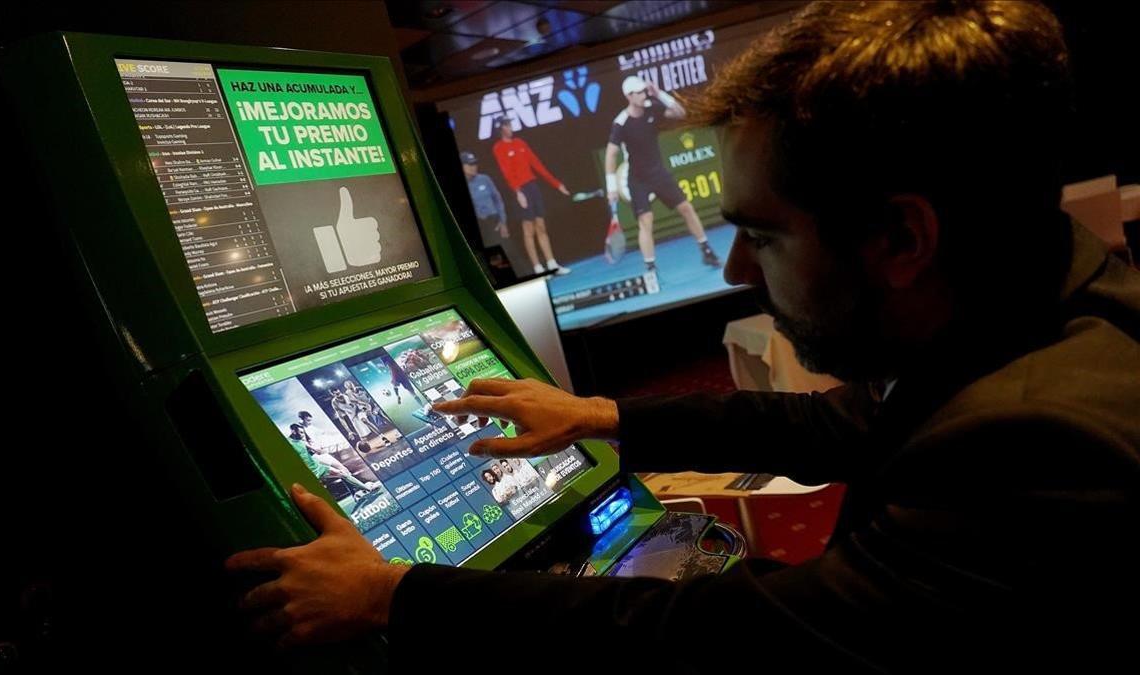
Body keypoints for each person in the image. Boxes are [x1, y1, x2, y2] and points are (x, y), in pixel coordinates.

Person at [227, 3, 1140, 672]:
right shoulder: (1036, 302)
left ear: (902, 238)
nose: (740, 269)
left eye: (767, 233)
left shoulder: (1040, 445)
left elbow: (741, 641)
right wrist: (602, 413)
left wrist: (394, 594)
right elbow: (837, 427)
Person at [606, 75, 722, 277]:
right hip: (638, 179)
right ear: (629, 96)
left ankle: (707, 251)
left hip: (658, 173)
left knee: (686, 208)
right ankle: (650, 268)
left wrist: (659, 94)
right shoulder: (621, 123)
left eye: (644, 91)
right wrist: (611, 187)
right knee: (646, 221)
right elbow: (611, 154)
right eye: (640, 92)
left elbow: (680, 113)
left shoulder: (652, 107)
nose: (644, 94)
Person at [490, 117, 573, 276]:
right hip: (520, 190)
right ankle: (537, 268)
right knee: (528, 230)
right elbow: (506, 172)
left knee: (541, 226)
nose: (511, 127)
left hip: (533, 187)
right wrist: (518, 192)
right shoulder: (498, 148)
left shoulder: (520, 143)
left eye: (510, 124)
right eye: (507, 125)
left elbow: (537, 165)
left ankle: (552, 264)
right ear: (501, 129)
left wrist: (557, 184)